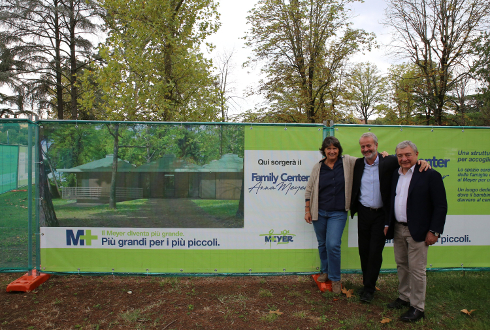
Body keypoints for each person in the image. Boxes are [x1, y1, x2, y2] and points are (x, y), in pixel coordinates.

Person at [350, 133, 430, 303]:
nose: (366, 149)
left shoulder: (390, 161)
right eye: (363, 146)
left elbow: (409, 163)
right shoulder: (357, 164)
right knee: (364, 251)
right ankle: (367, 284)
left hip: (381, 215)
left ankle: (369, 289)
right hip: (363, 213)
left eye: (369, 146)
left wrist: (423, 162)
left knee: (375, 252)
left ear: (376, 145)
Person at [384, 140, 447, 322]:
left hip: (418, 231)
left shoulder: (429, 174)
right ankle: (404, 297)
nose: (404, 159)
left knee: (417, 270)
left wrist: (434, 231)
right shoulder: (395, 175)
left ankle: (418, 307)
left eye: (408, 155)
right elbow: (392, 201)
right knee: (402, 265)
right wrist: (389, 223)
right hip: (398, 228)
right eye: (400, 155)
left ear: (417, 155)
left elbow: (440, 206)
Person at [304, 136, 356, 294]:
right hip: (318, 212)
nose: (332, 151)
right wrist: (307, 210)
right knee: (322, 244)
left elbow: (368, 159)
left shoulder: (347, 162)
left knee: (333, 245)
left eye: (335, 148)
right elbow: (309, 189)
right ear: (324, 150)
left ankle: (335, 278)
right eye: (328, 148)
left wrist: (384, 155)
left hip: (338, 213)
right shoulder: (318, 167)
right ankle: (325, 271)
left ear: (339, 149)